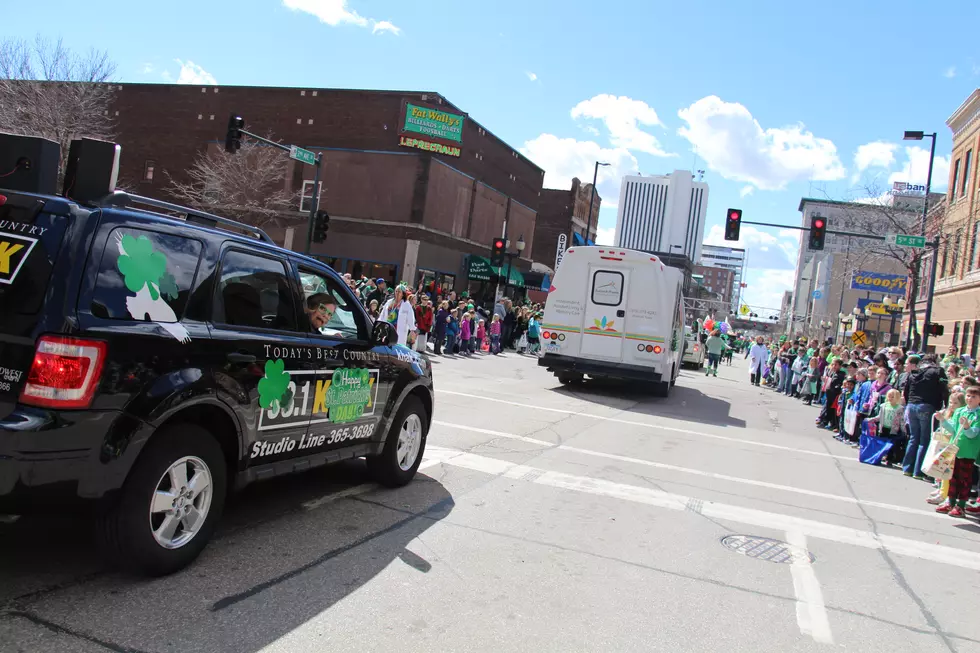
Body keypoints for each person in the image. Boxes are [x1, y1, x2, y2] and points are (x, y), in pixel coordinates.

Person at [902, 354, 950, 480]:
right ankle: (918, 471)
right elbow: (944, 389)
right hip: (927, 406)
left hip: (912, 405)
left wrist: (909, 403)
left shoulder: (914, 372)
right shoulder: (937, 371)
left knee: (913, 438)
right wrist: (946, 405)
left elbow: (906, 390)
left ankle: (907, 468)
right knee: (924, 440)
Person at [935, 386, 980, 517]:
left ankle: (961, 506)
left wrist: (967, 427)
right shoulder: (960, 411)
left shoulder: (978, 415)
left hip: (968, 452)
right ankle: (951, 501)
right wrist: (942, 420)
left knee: (964, 480)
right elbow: (953, 430)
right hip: (954, 450)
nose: (970, 399)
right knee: (952, 477)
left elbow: (973, 434)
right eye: (968, 396)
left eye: (974, 396)